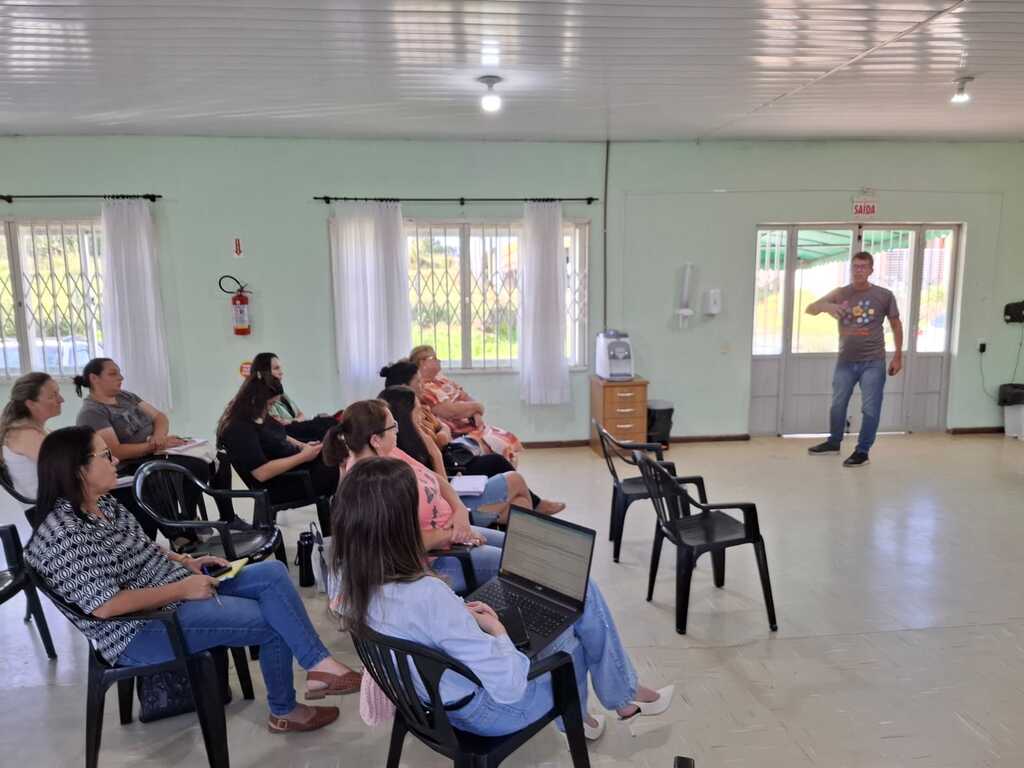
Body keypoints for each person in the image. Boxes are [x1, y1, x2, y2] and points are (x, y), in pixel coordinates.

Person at [23, 426, 361, 733]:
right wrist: (182, 587)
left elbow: (142, 548)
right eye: (105, 455)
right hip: (142, 628)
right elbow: (106, 606)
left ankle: (319, 666)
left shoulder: (103, 503)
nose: (115, 462)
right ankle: (285, 710)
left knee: (272, 573)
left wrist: (187, 561)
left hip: (172, 590)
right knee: (274, 621)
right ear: (78, 469)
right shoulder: (64, 534)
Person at [330, 457, 674, 742]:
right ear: (401, 523)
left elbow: (419, 626)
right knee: (572, 629)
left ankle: (602, 708)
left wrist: (461, 617)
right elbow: (509, 686)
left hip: (426, 699)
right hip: (485, 712)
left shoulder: (350, 581)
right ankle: (608, 704)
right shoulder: (426, 594)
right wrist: (496, 631)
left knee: (574, 606)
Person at [322, 399, 503, 593]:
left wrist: (459, 510)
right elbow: (400, 546)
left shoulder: (389, 452)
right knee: (512, 565)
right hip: (427, 563)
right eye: (393, 426)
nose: (397, 431)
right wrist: (454, 534)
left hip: (450, 534)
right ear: (375, 439)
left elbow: (433, 477)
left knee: (515, 549)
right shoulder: (370, 484)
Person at [73, 358, 241, 530]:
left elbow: (160, 417)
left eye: (120, 372)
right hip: (133, 463)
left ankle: (227, 517)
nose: (121, 377)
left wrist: (159, 437)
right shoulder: (92, 412)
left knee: (220, 458)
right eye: (113, 373)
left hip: (157, 449)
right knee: (195, 466)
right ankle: (185, 525)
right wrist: (155, 445)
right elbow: (116, 451)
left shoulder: (126, 397)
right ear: (94, 378)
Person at [379, 360, 564, 515]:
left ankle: (521, 541)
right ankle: (534, 510)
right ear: (404, 387)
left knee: (521, 501)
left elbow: (443, 428)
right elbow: (437, 483)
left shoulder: (418, 413)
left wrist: (441, 435)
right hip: (449, 478)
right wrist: (436, 447)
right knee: (504, 472)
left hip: (450, 462)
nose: (423, 385)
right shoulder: (401, 437)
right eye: (418, 381)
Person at [378, 385, 539, 527]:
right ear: (406, 415)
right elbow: (437, 492)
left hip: (451, 494)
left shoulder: (414, 437)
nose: (423, 415)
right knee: (515, 480)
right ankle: (472, 520)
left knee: (521, 504)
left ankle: (515, 537)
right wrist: (434, 453)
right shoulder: (399, 450)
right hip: (446, 507)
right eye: (418, 410)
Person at [805, 251, 903, 467]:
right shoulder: (840, 293)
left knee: (870, 408)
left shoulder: (884, 295)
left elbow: (896, 324)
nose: (858, 270)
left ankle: (862, 451)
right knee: (837, 404)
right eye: (855, 266)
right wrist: (826, 306)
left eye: (863, 267)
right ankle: (833, 442)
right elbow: (809, 309)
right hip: (846, 361)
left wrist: (898, 355)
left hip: (873, 361)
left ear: (871, 270)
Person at [217, 375, 339, 499]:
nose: (270, 408)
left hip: (294, 470)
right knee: (341, 469)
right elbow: (261, 473)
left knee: (338, 458)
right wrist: (303, 456)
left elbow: (280, 435)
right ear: (254, 399)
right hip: (280, 484)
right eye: (270, 404)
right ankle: (345, 515)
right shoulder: (239, 429)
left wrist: (302, 446)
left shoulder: (257, 415)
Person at [408, 345, 524, 466]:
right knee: (500, 447)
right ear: (423, 362)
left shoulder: (440, 379)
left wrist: (476, 414)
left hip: (471, 424)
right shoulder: (424, 388)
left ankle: (505, 476)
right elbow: (450, 411)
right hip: (458, 433)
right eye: (434, 357)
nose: (439, 360)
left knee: (506, 440)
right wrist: (478, 407)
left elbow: (465, 396)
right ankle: (503, 477)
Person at [0, 372, 64, 499]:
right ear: (31, 403)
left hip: (58, 503)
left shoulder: (38, 430)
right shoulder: (26, 435)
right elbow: (69, 470)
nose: (61, 399)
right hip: (54, 511)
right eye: (53, 396)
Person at [249, 352, 336, 442]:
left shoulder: (282, 394)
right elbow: (277, 423)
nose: (281, 372)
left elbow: (300, 415)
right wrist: (295, 421)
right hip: (284, 432)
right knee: (325, 426)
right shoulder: (258, 396)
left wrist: (293, 421)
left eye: (280, 368)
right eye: (276, 368)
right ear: (264, 371)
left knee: (328, 421)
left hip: (294, 426)